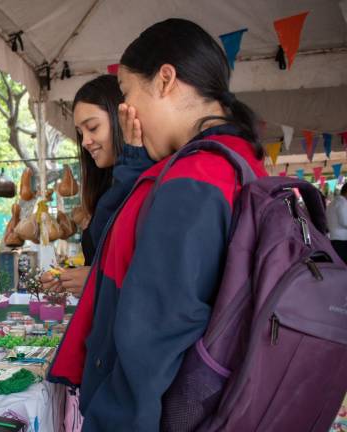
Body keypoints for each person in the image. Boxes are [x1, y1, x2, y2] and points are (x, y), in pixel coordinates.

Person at [48, 18, 268, 431]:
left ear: (165, 80)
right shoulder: (236, 159)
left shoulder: (197, 175)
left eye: (129, 94)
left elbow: (153, 332)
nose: (128, 112)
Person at [39, 75, 152, 298]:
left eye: (92, 127)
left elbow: (153, 275)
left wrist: (96, 280)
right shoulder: (110, 184)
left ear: (122, 119)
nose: (85, 141)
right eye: (80, 133)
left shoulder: (147, 182)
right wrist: (72, 277)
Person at [327, 184, 347, 264]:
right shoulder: (342, 202)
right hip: (342, 240)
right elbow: (345, 222)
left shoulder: (332, 203)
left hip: (334, 239)